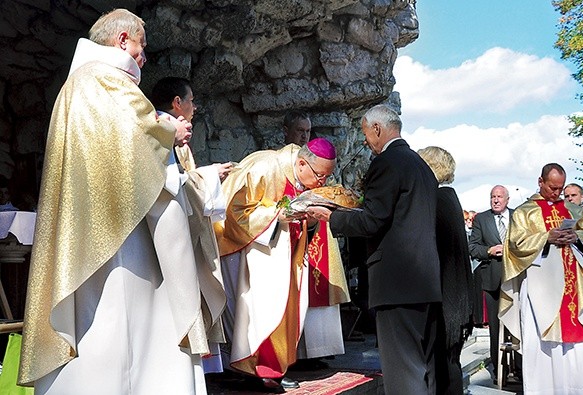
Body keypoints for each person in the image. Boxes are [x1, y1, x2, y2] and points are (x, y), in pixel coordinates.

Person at [18, 9, 222, 394]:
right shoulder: (111, 82)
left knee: (96, 326)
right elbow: (139, 143)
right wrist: (170, 131)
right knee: (133, 333)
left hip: (85, 231)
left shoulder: (73, 86)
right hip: (125, 235)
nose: (144, 57)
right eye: (142, 47)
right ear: (123, 40)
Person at [307, 105, 445, 394]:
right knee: (424, 368)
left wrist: (332, 216)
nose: (366, 141)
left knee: (403, 373)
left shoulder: (387, 163)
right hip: (425, 282)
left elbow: (373, 220)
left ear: (378, 129)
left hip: (397, 283)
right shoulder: (421, 167)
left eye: (366, 133)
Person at [214, 138, 349, 391]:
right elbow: (235, 213)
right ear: (301, 164)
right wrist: (281, 215)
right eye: (319, 175)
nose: (322, 182)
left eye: (326, 177)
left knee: (286, 308)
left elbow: (302, 218)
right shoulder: (264, 167)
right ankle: (251, 369)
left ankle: (275, 367)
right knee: (259, 312)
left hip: (284, 255)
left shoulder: (304, 178)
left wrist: (309, 218)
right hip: (244, 252)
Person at [150, 76, 233, 373]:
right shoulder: (157, 130)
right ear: (177, 103)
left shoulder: (174, 133)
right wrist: (211, 175)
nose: (194, 107)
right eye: (191, 100)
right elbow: (166, 184)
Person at [500, 163, 583, 394]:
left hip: (574, 286)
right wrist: (547, 237)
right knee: (542, 343)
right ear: (540, 182)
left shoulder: (574, 211)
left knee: (577, 347)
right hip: (541, 289)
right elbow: (516, 245)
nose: (557, 193)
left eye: (560, 188)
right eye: (552, 188)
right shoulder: (524, 212)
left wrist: (577, 236)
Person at [418, 146, 473, 395]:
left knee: (444, 364)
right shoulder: (448, 198)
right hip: (455, 295)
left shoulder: (437, 200)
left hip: (446, 298)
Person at [468, 185, 519, 383]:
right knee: (496, 328)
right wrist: (489, 251)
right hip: (492, 280)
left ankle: (521, 368)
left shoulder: (518, 216)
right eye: (492, 197)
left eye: (499, 197)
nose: (496, 200)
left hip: (517, 279)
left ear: (507, 199)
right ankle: (499, 370)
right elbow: (473, 247)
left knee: (519, 326)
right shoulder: (482, 219)